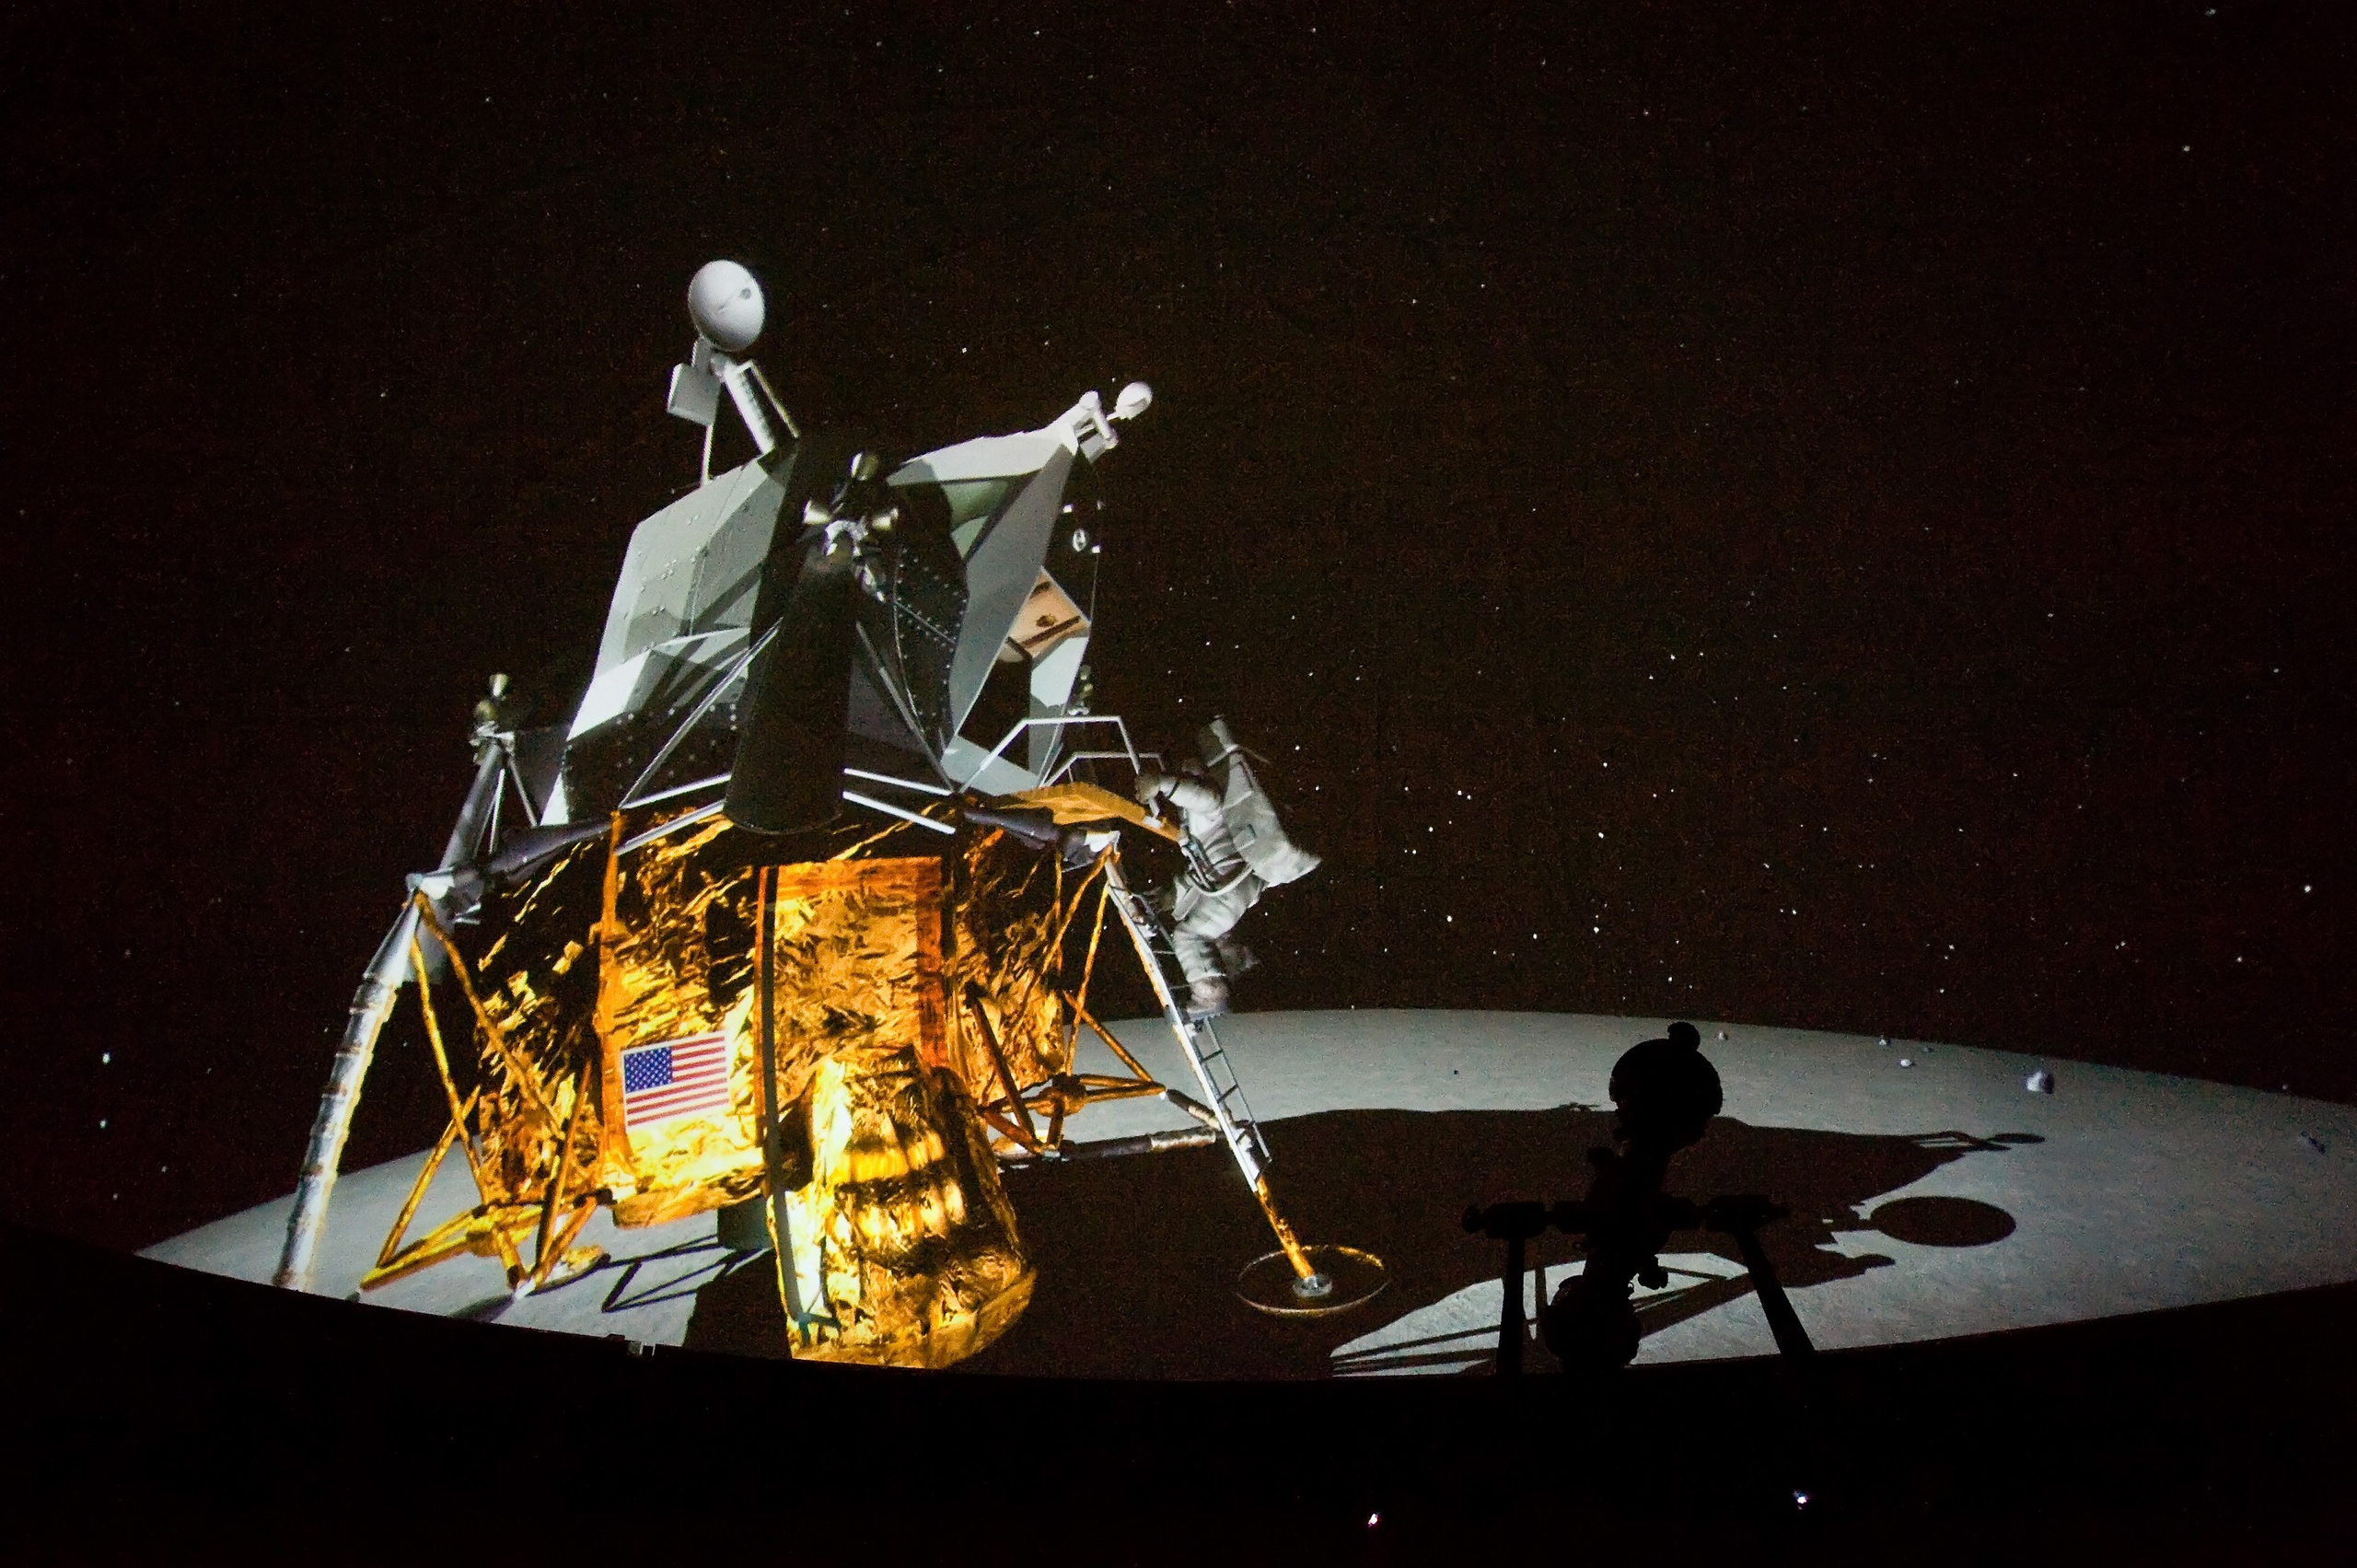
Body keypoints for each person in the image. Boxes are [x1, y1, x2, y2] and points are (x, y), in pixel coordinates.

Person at [1131, 719, 1319, 1017]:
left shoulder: (1211, 806)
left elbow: (1204, 797)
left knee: (1189, 936)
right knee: (1205, 936)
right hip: (1227, 884)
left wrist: (1162, 783)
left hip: (1232, 887)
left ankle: (1211, 998)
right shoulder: (1199, 826)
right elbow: (1200, 871)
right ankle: (1230, 973)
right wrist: (1172, 896)